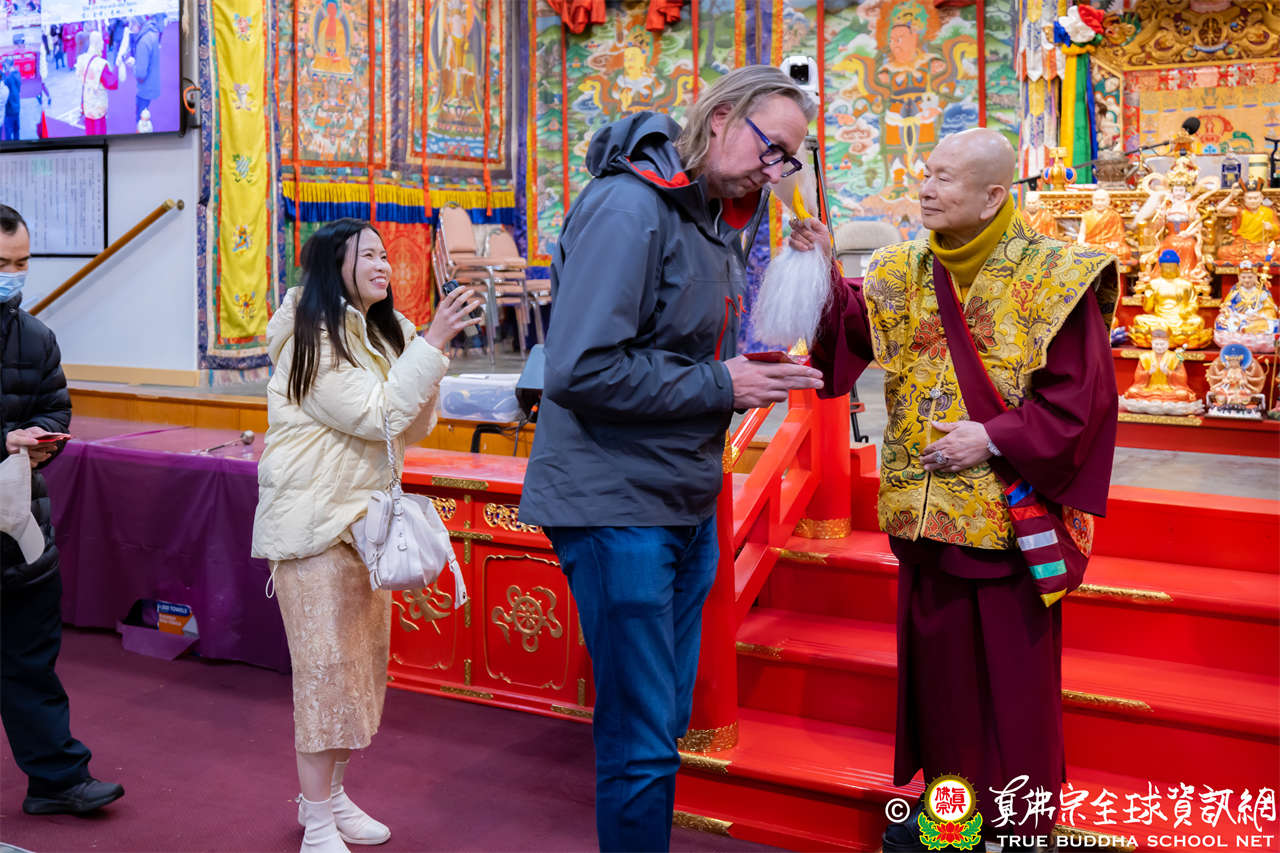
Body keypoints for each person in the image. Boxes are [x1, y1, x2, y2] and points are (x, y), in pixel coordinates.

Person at [519, 65, 825, 852]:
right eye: (771, 148)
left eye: (788, 159)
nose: (775, 171)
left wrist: (796, 277)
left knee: (663, 720)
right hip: (614, 497)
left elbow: (691, 343)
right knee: (642, 735)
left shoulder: (710, 214)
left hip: (678, 494)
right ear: (721, 118)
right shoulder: (631, 207)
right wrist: (724, 382)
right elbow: (580, 369)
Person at [792, 128, 1119, 851]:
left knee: (1011, 691)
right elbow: (849, 341)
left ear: (994, 195)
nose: (926, 188)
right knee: (942, 691)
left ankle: (1018, 828)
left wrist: (994, 436)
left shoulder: (1055, 275)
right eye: (927, 173)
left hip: (1006, 523)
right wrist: (819, 272)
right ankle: (953, 820)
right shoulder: (901, 268)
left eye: (945, 178)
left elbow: (1083, 403)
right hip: (923, 518)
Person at [251, 218, 482, 853]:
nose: (385, 264)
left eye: (386, 254)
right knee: (325, 678)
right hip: (316, 529)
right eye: (369, 255)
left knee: (357, 675)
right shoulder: (309, 338)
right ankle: (316, 824)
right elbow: (377, 415)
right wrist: (430, 346)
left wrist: (426, 355)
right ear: (335, 265)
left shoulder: (384, 332)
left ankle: (332, 798)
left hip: (364, 526)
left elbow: (411, 426)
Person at [0, 204, 126, 816]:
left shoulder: (35, 337)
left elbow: (55, 409)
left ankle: (56, 781)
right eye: (2, 263)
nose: (13, 276)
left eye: (21, 263)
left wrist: (41, 438)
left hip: (20, 528)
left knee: (32, 664)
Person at [75, 30, 125, 136]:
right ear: (97, 43)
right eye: (101, 41)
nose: (103, 43)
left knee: (89, 131)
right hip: (98, 105)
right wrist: (118, 67)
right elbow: (112, 83)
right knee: (99, 133)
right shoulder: (100, 64)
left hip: (87, 102)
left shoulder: (82, 59)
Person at [127, 15, 163, 122]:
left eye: (132, 26)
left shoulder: (143, 41)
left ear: (137, 24)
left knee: (141, 118)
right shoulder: (151, 34)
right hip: (153, 80)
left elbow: (141, 74)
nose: (131, 29)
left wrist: (133, 65)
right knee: (145, 113)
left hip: (145, 87)